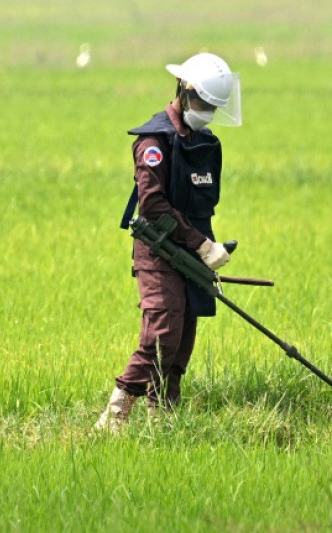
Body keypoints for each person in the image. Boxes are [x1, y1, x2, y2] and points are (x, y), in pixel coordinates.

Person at [95, 52, 242, 430]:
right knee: (162, 332)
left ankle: (163, 415)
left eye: (214, 106)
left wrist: (206, 246)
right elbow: (154, 204)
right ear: (183, 90)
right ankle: (116, 413)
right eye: (203, 102)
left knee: (185, 336)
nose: (208, 111)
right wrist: (202, 245)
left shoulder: (204, 144)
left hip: (191, 252)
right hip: (159, 251)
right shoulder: (154, 141)